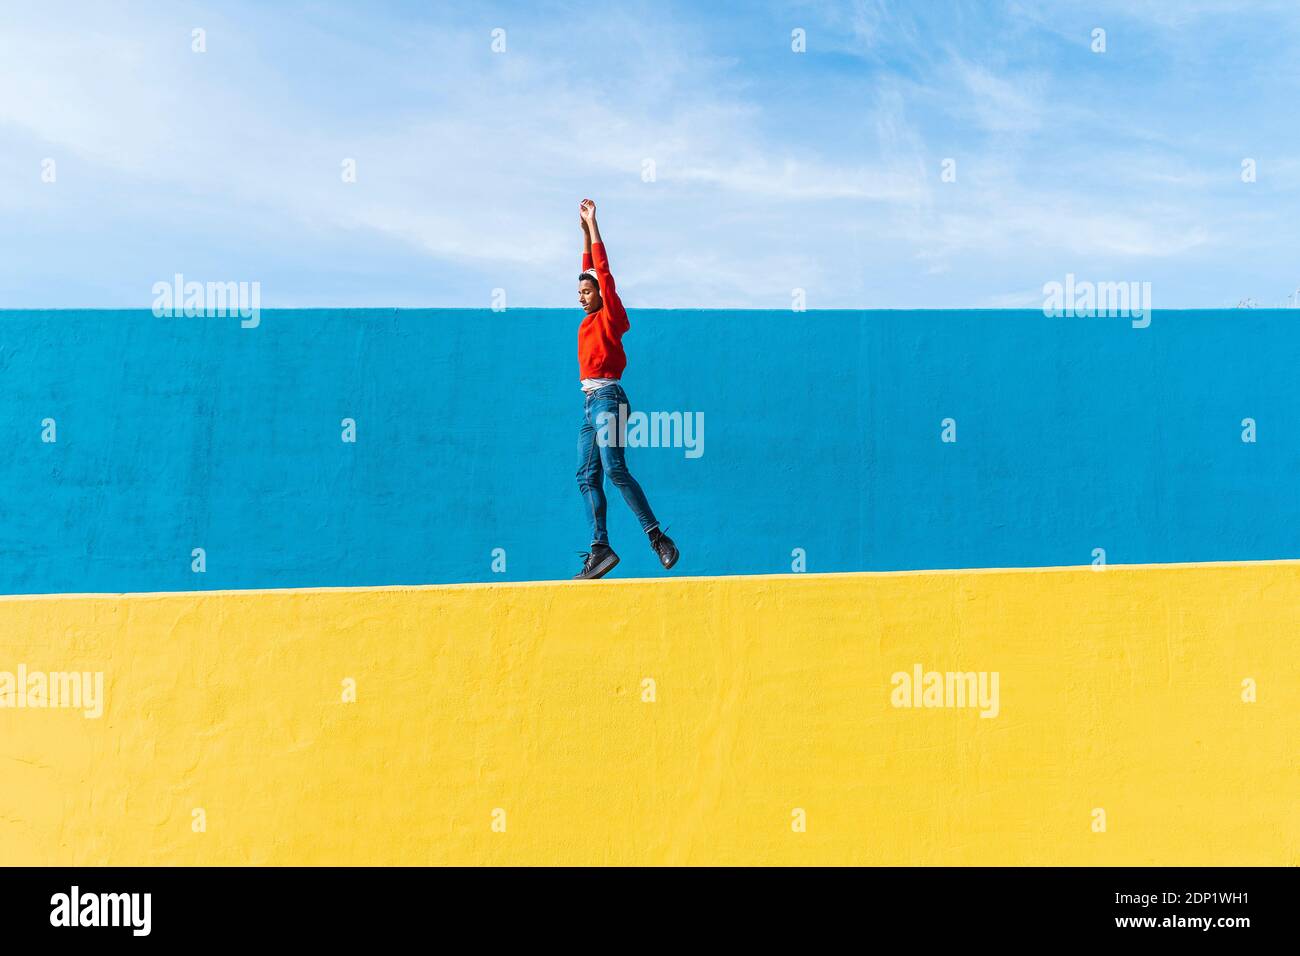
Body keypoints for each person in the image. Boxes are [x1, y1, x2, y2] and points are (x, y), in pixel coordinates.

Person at [573, 198, 679, 579]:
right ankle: (599, 548)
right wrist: (583, 232)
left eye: (587, 292)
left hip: (608, 400)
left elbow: (601, 271)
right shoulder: (588, 317)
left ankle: (657, 539)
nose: (581, 295)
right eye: (579, 292)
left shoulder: (610, 315)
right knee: (587, 476)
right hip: (589, 405)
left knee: (615, 469)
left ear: (602, 295)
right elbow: (588, 270)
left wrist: (595, 226)